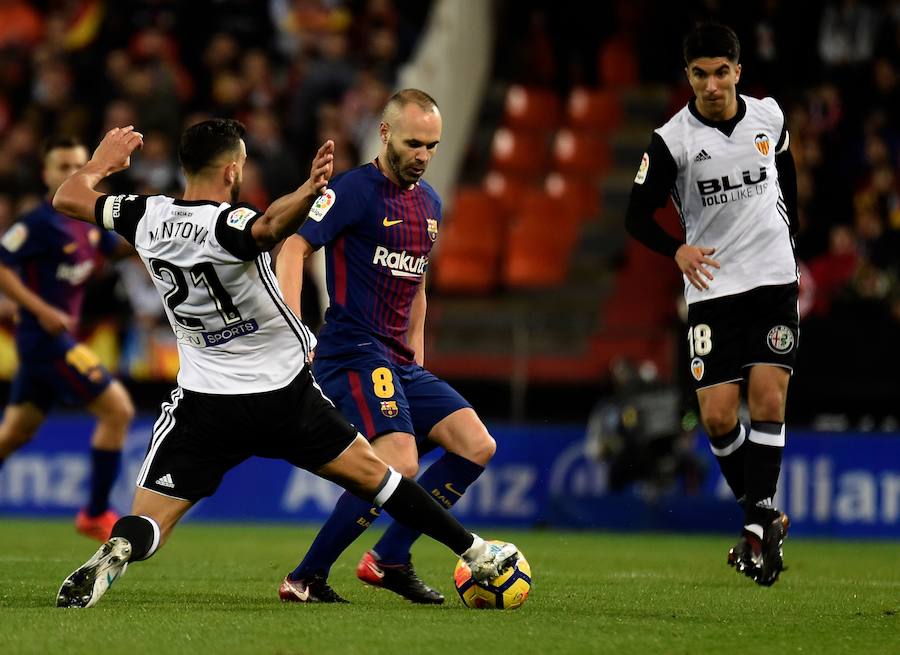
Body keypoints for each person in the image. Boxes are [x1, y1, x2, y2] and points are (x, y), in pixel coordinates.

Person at [51, 119, 516, 609]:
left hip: (204, 404)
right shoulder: (227, 225)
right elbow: (269, 227)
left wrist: (103, 161)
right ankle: (476, 550)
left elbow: (68, 196)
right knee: (384, 479)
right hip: (283, 397)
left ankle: (121, 547)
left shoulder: (144, 214)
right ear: (233, 171)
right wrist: (307, 191)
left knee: (152, 520)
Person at [275, 89, 497, 604]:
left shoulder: (431, 205)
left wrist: (416, 351)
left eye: (432, 146)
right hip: (351, 350)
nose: (422, 155)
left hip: (399, 361)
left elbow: (417, 284)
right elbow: (294, 246)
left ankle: (389, 557)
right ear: (385, 133)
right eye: (414, 143)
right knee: (399, 461)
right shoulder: (353, 190)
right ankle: (306, 577)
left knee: (476, 445)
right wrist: (293, 326)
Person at [624, 23, 798, 587]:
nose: (712, 84)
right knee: (718, 416)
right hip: (712, 287)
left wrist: (789, 230)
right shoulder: (672, 141)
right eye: (700, 73)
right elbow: (635, 216)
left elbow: (786, 168)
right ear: (689, 77)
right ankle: (764, 518)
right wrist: (676, 249)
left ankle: (754, 527)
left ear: (738, 71)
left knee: (769, 395)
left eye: (722, 71)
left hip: (772, 279)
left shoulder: (768, 117)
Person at [0, 136, 135, 542]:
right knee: (119, 410)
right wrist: (39, 309)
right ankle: (95, 514)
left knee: (15, 434)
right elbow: (2, 264)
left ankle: (95, 512)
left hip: (50, 344)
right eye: (62, 166)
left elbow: (119, 249)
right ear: (46, 174)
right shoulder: (36, 223)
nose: (72, 173)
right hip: (45, 341)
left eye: (79, 165)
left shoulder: (88, 223)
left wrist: (165, 231)